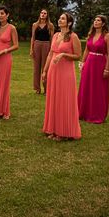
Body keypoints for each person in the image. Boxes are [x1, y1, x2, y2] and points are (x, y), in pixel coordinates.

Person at [41, 12, 82, 140]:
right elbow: (50, 54)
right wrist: (45, 71)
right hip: (53, 71)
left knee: (63, 99)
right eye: (59, 18)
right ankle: (53, 129)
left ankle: (64, 131)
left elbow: (78, 56)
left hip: (66, 72)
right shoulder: (56, 35)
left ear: (69, 23)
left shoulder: (73, 37)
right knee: (53, 98)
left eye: (63, 18)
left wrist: (63, 55)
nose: (60, 20)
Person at [77, 15, 109, 123]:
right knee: (86, 87)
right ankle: (83, 112)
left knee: (98, 89)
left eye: (98, 20)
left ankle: (96, 113)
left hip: (100, 64)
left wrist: (107, 69)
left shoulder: (107, 36)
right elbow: (86, 50)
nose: (95, 22)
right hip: (89, 63)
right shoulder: (91, 34)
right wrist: (82, 63)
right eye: (95, 20)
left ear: (103, 24)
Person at [30, 9, 54, 94]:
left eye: (45, 13)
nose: (43, 14)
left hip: (46, 45)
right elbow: (33, 37)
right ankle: (37, 88)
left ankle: (46, 88)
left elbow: (52, 38)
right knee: (36, 68)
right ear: (39, 14)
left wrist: (52, 49)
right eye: (42, 13)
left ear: (47, 15)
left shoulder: (50, 25)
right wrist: (31, 49)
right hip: (37, 44)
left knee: (45, 67)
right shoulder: (35, 25)